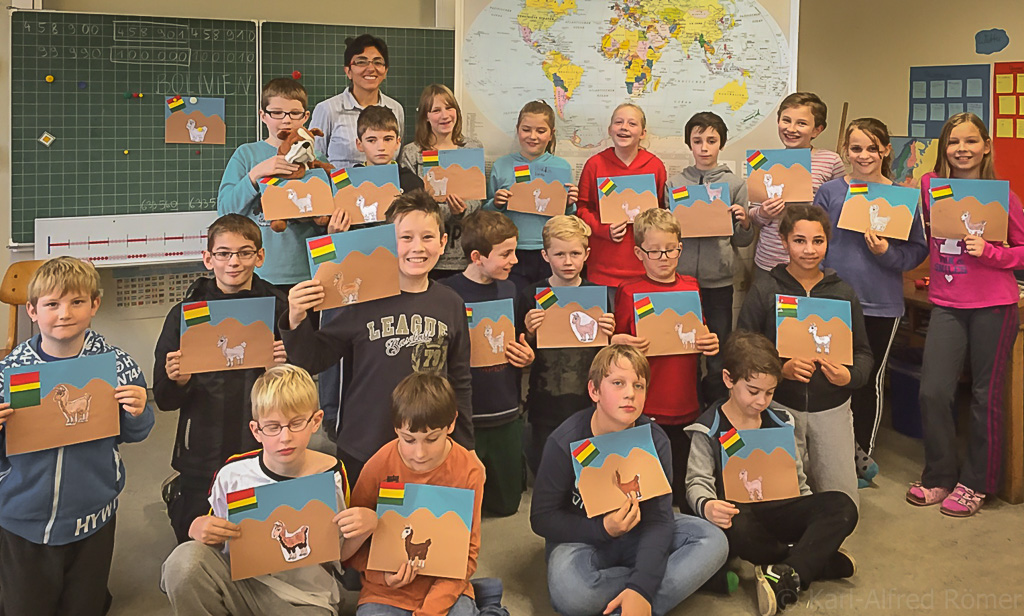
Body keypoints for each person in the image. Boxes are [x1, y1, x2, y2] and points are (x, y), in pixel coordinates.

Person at [281, 190, 474, 484]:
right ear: (387, 242)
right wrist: (296, 317)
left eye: (427, 237)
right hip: (365, 444)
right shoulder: (359, 301)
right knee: (365, 525)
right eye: (405, 238)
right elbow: (313, 359)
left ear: (443, 242)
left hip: (428, 447)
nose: (417, 248)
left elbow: (459, 379)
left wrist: (464, 445)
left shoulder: (451, 303)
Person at [0, 257, 153, 615]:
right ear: (32, 311)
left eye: (76, 302)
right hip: (23, 517)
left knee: (84, 605)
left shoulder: (118, 365)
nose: (64, 313)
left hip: (93, 514)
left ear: (94, 305)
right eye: (52, 304)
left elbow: (137, 433)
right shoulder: (10, 373)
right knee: (26, 605)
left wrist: (138, 411)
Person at [531, 345, 728, 616]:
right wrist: (603, 529)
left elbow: (659, 520)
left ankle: (634, 596)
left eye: (639, 385)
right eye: (617, 383)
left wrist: (640, 589)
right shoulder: (564, 441)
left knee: (714, 540)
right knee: (572, 592)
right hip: (583, 540)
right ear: (594, 391)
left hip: (641, 532)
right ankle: (663, 579)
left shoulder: (656, 440)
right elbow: (542, 519)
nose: (630, 394)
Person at [685, 331, 858, 616]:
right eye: (753, 391)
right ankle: (811, 563)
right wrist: (707, 505)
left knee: (843, 505)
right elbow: (697, 481)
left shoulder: (781, 421)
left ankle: (787, 569)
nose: (761, 401)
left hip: (781, 509)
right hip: (742, 518)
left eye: (770, 392)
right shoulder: (708, 428)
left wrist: (809, 514)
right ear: (729, 379)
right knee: (735, 525)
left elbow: (797, 477)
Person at [160, 364, 354, 615]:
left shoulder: (333, 475)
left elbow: (338, 553)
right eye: (273, 427)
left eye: (296, 423)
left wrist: (363, 528)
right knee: (183, 560)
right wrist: (198, 529)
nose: (285, 437)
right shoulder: (232, 474)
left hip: (305, 599)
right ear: (256, 430)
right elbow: (216, 539)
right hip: (241, 585)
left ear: (315, 421)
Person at [908, 112, 1024, 517]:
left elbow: (1023, 250)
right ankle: (940, 475)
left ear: (986, 146)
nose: (962, 149)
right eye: (954, 142)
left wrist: (992, 253)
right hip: (947, 303)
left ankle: (977, 483)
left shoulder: (1001, 197)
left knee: (984, 396)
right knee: (933, 391)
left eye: (971, 141)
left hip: (995, 305)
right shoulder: (930, 187)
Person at [154, 214, 290, 543]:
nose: (234, 263)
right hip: (202, 444)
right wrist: (179, 380)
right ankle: (180, 499)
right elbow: (164, 398)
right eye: (223, 253)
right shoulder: (186, 313)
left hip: (260, 439)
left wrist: (283, 369)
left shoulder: (278, 308)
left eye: (244, 253)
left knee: (256, 539)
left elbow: (300, 384)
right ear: (208, 258)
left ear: (260, 256)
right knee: (197, 540)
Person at [815, 118, 928, 486]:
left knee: (867, 381)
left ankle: (861, 455)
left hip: (880, 302)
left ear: (884, 151)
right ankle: (826, 454)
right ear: (846, 150)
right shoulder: (831, 192)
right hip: (833, 299)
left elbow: (916, 251)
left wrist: (886, 253)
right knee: (828, 376)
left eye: (871, 148)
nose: (863, 155)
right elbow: (813, 240)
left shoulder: (901, 197)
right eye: (856, 148)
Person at [737, 205, 872, 507]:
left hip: (833, 408)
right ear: (783, 242)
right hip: (781, 407)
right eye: (799, 241)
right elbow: (741, 347)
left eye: (818, 241)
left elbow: (863, 353)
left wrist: (849, 376)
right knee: (782, 496)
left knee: (843, 502)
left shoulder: (843, 293)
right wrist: (779, 370)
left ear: (827, 242)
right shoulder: (765, 289)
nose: (809, 250)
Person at [344, 372, 509, 616]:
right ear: (395, 428)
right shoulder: (378, 465)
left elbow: (468, 553)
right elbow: (349, 546)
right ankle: (487, 600)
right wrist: (382, 576)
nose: (419, 453)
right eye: (408, 440)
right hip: (386, 592)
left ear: (452, 424)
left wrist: (429, 611)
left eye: (432, 439)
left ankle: (479, 598)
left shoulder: (469, 471)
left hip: (445, 587)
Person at [318, 105, 425, 443]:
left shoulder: (411, 183)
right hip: (356, 281)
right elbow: (331, 243)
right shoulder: (343, 182)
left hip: (397, 282)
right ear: (359, 143)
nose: (381, 146)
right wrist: (335, 232)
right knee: (344, 345)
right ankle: (334, 417)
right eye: (372, 139)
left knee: (390, 348)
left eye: (388, 139)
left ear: (398, 142)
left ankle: (398, 415)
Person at [611, 208, 719, 507]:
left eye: (671, 250)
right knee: (649, 490)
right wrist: (619, 342)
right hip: (647, 406)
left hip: (686, 402)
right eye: (654, 251)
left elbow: (701, 332)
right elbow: (616, 345)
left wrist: (709, 341)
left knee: (684, 486)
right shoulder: (629, 291)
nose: (664, 258)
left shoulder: (691, 286)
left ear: (680, 248)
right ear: (638, 253)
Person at [441, 210, 535, 516]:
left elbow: (521, 341)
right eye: (506, 254)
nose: (515, 260)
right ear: (478, 256)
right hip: (465, 415)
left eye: (515, 251)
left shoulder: (511, 289)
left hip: (506, 408)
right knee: (462, 506)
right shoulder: (448, 293)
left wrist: (528, 353)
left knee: (507, 506)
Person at [217, 77, 340, 292]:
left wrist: (333, 225)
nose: (286, 120)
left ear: (306, 117)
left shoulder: (317, 158)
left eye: (294, 113)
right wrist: (256, 174)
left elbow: (329, 212)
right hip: (260, 274)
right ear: (263, 115)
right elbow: (225, 211)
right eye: (277, 113)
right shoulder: (247, 155)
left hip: (310, 270)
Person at [667, 111, 753, 403]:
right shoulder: (674, 184)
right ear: (689, 144)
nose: (704, 147)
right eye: (698, 140)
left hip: (719, 281)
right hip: (680, 281)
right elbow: (666, 236)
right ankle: (687, 403)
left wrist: (744, 222)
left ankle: (717, 403)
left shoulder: (735, 185)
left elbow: (742, 241)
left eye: (711, 141)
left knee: (717, 347)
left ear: (722, 144)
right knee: (684, 347)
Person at [518, 215, 615, 474]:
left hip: (589, 402)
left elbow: (610, 354)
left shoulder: (599, 296)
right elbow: (521, 352)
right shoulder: (531, 295)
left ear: (587, 253)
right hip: (545, 402)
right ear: (545, 255)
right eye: (559, 254)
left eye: (575, 253)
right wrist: (528, 332)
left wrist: (610, 335)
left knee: (590, 473)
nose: (568, 261)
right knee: (547, 473)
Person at [485, 100, 578, 293]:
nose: (533, 137)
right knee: (514, 303)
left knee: (546, 308)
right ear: (517, 129)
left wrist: (569, 205)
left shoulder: (562, 168)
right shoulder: (501, 166)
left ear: (551, 134)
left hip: (550, 252)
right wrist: (497, 203)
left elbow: (567, 217)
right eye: (526, 129)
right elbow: (486, 213)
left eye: (541, 131)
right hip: (511, 251)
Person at [749, 92, 845, 277]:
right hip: (769, 261)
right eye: (786, 120)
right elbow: (753, 216)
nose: (791, 129)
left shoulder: (830, 160)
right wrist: (763, 213)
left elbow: (840, 210)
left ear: (817, 130)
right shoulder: (763, 162)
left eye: (801, 123)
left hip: (812, 261)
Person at [575, 103, 668, 290]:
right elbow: (582, 209)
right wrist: (603, 229)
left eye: (632, 124)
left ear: (643, 133)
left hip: (645, 269)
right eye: (619, 122)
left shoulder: (655, 166)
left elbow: (662, 212)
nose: (624, 127)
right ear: (610, 130)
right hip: (602, 269)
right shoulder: (595, 165)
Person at [399, 84, 484, 278]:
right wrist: (448, 211)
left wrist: (461, 211)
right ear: (425, 117)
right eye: (436, 110)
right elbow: (410, 205)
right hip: (426, 254)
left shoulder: (472, 148)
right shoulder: (412, 152)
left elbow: (478, 198)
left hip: (465, 251)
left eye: (449, 107)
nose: (445, 115)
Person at [310, 33, 405, 170]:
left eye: (378, 62)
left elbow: (397, 158)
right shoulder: (327, 109)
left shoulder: (395, 109)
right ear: (348, 71)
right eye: (361, 62)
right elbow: (314, 159)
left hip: (387, 188)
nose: (371, 68)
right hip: (340, 189)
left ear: (385, 71)